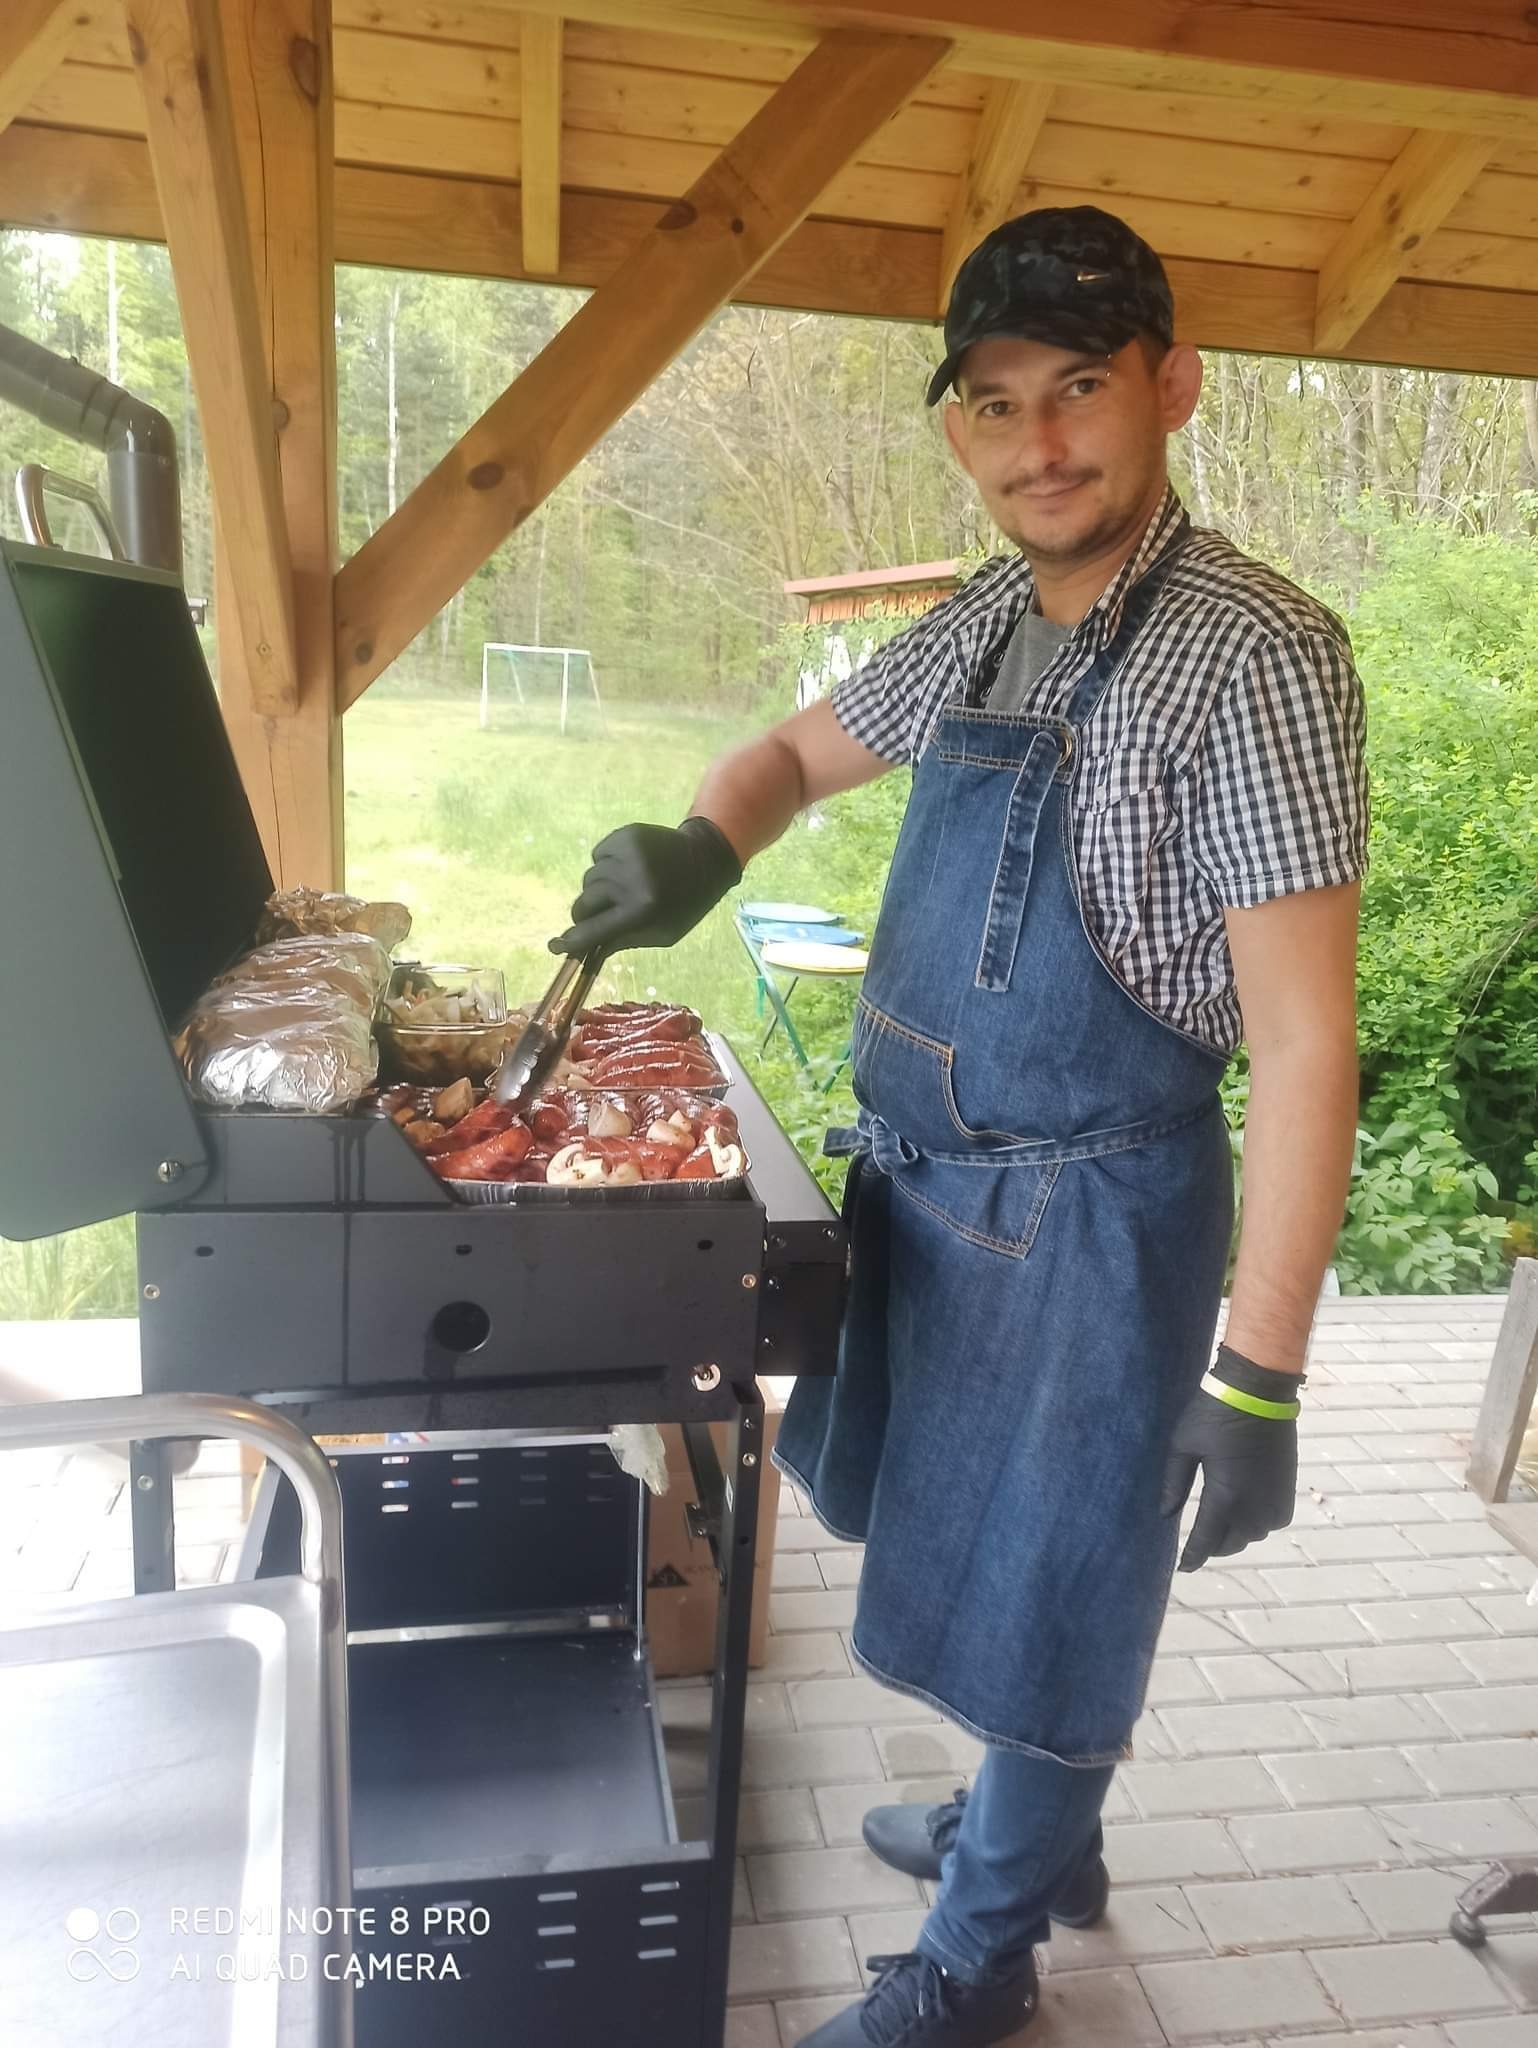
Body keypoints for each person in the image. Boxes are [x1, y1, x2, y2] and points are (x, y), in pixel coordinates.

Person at [553, 206, 1366, 2047]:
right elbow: (788, 754)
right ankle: (1039, 1831)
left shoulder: (1255, 655)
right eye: (996, 405)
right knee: (989, 1560)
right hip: (932, 1205)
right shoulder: (988, 620)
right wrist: (701, 843)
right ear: (956, 428)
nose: (1039, 444)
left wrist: (1258, 1375)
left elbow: (1306, 1044)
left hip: (1094, 1221)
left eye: (1078, 388)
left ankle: (978, 1963)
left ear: (1171, 384)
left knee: (1057, 1591)